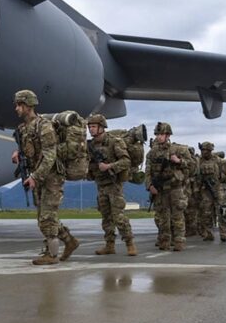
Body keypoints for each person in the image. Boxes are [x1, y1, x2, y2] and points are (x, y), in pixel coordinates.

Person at [11, 90, 79, 265]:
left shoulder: (45, 126)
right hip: (39, 177)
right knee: (44, 217)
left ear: (28, 106)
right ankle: (69, 241)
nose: (17, 109)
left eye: (19, 105)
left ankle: (52, 256)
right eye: (16, 105)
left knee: (46, 218)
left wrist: (35, 176)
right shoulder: (23, 129)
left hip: (51, 178)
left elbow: (50, 155)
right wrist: (18, 153)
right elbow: (30, 149)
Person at [86, 114, 137, 256]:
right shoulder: (90, 145)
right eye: (90, 127)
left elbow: (126, 161)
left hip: (114, 185)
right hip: (100, 185)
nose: (91, 129)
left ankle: (130, 243)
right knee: (106, 217)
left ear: (102, 127)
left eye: (94, 126)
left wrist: (109, 166)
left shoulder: (114, 142)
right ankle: (109, 245)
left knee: (118, 217)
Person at [145, 123, 192, 251]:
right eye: (157, 134)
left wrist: (179, 161)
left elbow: (193, 166)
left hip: (175, 188)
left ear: (168, 135)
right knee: (162, 218)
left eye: (161, 134)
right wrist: (149, 186)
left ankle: (179, 242)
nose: (159, 137)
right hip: (160, 189)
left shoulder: (178, 150)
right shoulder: (151, 153)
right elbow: (148, 172)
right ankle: (164, 241)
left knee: (177, 216)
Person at [197, 142, 226, 243]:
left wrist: (220, 182)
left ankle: (223, 233)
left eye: (205, 150)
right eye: (202, 150)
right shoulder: (199, 161)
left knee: (222, 211)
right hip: (205, 189)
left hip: (218, 188)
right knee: (206, 212)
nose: (203, 152)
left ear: (210, 151)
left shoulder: (220, 161)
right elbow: (197, 176)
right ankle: (208, 233)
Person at [184, 147, 200, 237]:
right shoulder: (195, 161)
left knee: (190, 210)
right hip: (190, 187)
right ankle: (190, 228)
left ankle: (192, 229)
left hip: (191, 187)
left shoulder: (192, 162)